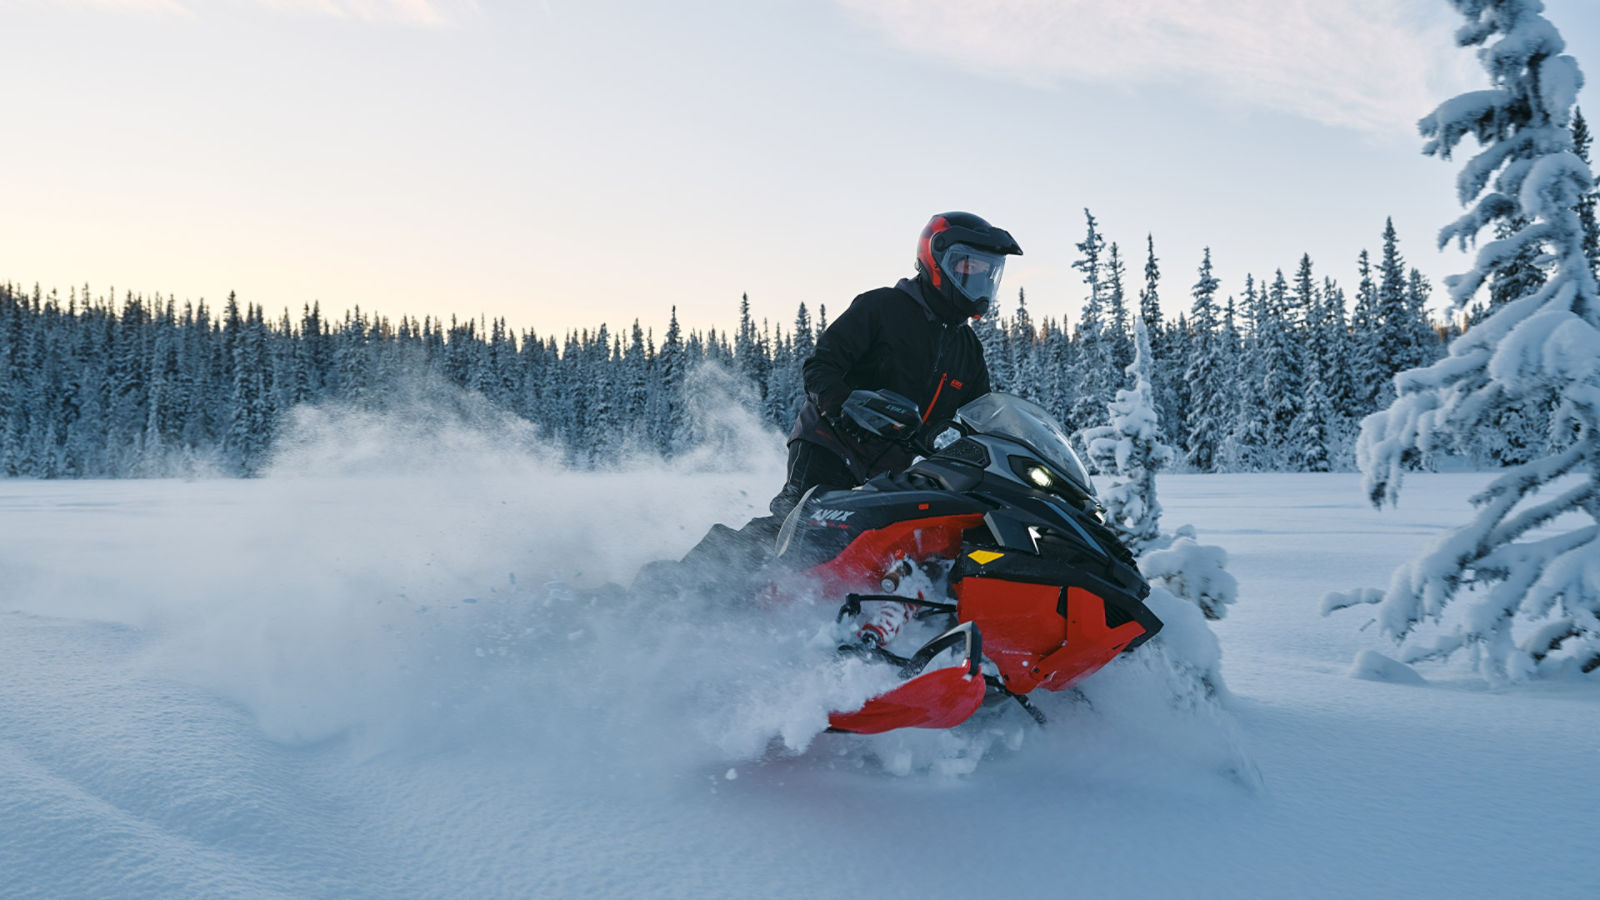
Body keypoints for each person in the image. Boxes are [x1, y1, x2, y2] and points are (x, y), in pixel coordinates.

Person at [769, 210, 1023, 516]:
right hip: (830, 444)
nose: (979, 279)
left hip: (891, 471)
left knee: (872, 550)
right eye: (969, 267)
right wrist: (844, 404)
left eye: (987, 271)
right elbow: (821, 365)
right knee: (799, 526)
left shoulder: (967, 348)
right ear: (938, 260)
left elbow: (982, 415)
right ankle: (716, 560)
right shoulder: (882, 307)